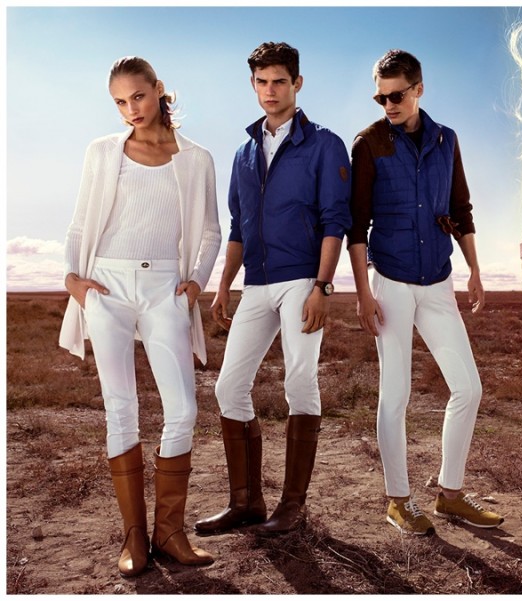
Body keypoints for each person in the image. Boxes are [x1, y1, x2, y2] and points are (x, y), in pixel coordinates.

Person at [58, 56, 221, 576]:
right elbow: (82, 225)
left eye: (139, 97)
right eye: (120, 102)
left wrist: (195, 282)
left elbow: (213, 230)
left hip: (165, 289)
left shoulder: (196, 158)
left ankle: (170, 533)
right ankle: (134, 539)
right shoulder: (103, 152)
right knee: (120, 408)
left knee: (184, 411)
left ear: (159, 90)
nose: (131, 110)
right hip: (106, 286)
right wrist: (73, 281)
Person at [194, 42, 351, 538]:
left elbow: (335, 222)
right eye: (262, 82)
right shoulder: (242, 153)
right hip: (257, 285)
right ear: (253, 85)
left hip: (303, 279)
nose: (270, 91)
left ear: (297, 84)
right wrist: (223, 286)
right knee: (228, 387)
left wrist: (323, 286)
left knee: (299, 381)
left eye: (279, 81)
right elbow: (239, 228)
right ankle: (246, 503)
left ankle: (293, 505)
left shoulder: (325, 145)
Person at [347, 49, 503, 536]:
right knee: (395, 394)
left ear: (418, 89)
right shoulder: (369, 143)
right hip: (389, 281)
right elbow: (356, 225)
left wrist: (475, 269)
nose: (388, 104)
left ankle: (450, 496)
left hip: (438, 281)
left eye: (396, 95)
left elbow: (461, 208)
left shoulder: (445, 139)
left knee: (469, 388)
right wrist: (363, 293)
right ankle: (399, 500)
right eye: (380, 96)